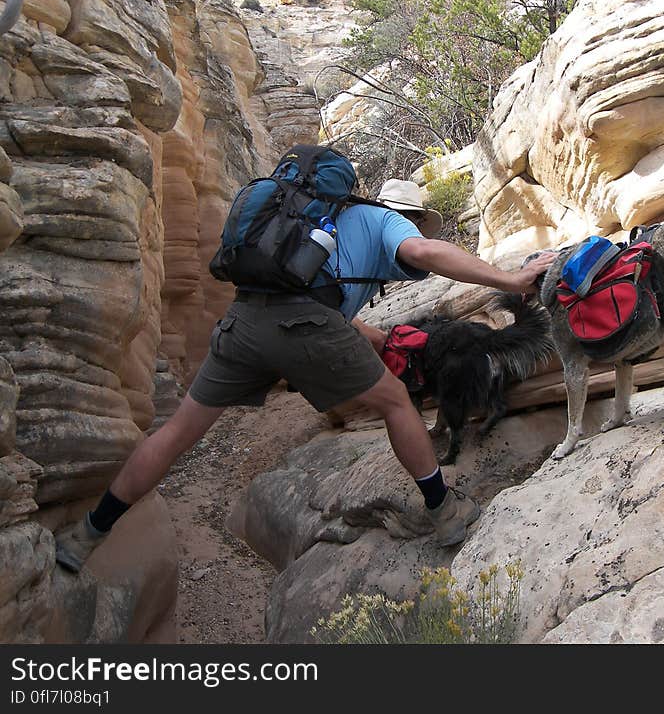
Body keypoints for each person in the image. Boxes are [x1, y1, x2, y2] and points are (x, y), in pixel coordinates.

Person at [54, 177, 556, 572]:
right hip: (304, 324)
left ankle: (89, 533)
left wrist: (379, 339)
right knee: (396, 404)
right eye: (421, 223)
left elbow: (332, 305)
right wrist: (510, 278)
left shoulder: (317, 224)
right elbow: (425, 255)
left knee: (179, 432)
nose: (422, 232)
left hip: (244, 319)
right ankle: (445, 512)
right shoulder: (388, 224)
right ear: (412, 216)